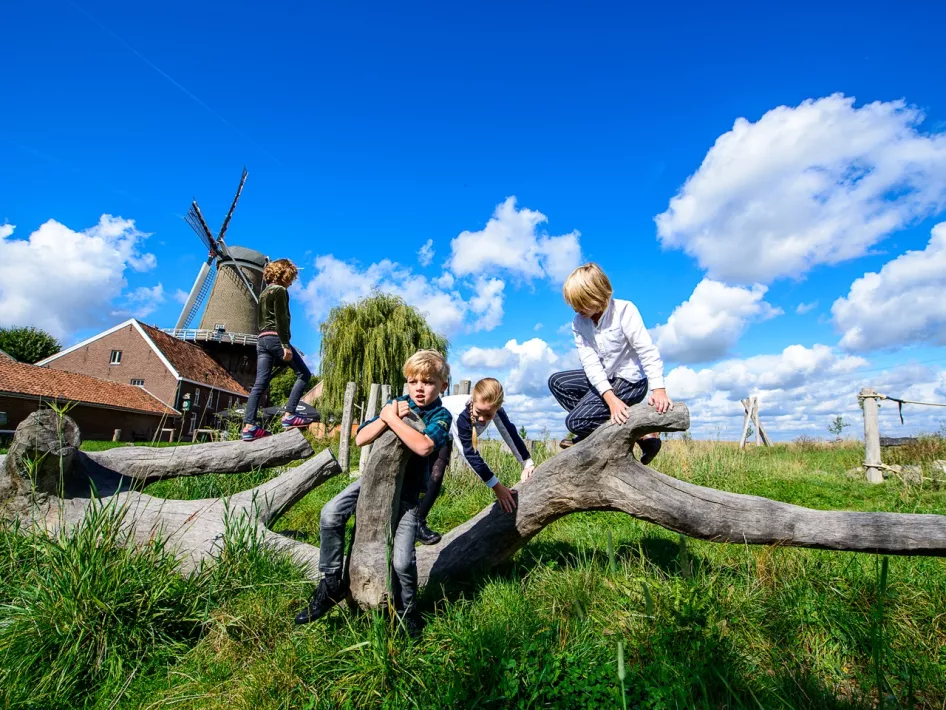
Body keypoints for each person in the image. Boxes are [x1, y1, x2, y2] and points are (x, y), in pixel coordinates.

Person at [293, 350, 452, 637]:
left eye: (428, 382)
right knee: (330, 514)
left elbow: (425, 446)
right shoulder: (397, 404)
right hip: (372, 483)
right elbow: (360, 437)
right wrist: (386, 416)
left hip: (407, 494)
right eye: (413, 381)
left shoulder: (441, 415)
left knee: (403, 561)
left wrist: (393, 421)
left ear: (442, 385)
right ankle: (331, 581)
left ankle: (408, 611)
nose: (419, 387)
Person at [548, 262, 672, 463]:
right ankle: (597, 431)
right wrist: (609, 399)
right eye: (573, 304)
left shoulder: (624, 311)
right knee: (557, 382)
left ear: (598, 295)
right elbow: (590, 363)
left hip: (630, 381)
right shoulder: (579, 322)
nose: (576, 309)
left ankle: (637, 433)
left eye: (581, 303)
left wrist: (659, 389)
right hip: (605, 378)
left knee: (574, 421)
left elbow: (646, 350)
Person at [416, 378, 534, 545]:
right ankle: (415, 522)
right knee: (431, 477)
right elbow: (469, 454)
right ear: (472, 400)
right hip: (427, 429)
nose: (482, 419)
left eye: (489, 415)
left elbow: (510, 433)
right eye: (479, 412)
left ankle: (417, 522)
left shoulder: (496, 411)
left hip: (445, 436)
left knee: (436, 476)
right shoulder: (460, 414)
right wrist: (497, 487)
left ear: (497, 408)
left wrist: (527, 463)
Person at [242, 258, 314, 441]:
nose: (292, 282)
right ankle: (289, 415)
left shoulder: (264, 293)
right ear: (285, 274)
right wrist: (284, 344)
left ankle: (249, 425)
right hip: (275, 337)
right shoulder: (280, 291)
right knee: (304, 374)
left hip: (261, 339)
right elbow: (282, 319)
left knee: (261, 383)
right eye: (291, 277)